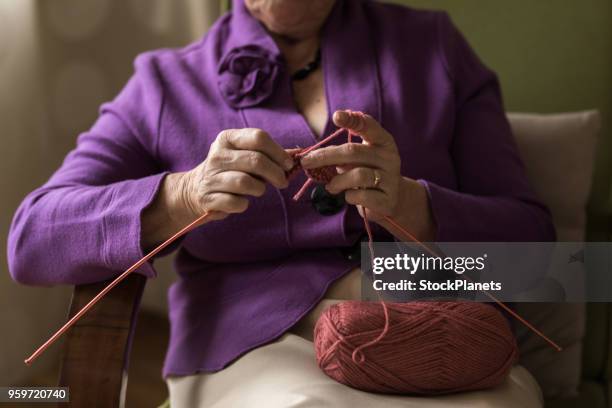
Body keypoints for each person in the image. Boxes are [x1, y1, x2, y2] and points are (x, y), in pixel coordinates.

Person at [8, 0, 554, 406]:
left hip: (442, 334)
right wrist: (182, 194)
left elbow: (545, 262)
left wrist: (412, 205)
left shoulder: (432, 46)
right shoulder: (164, 83)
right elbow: (31, 241)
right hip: (250, 348)